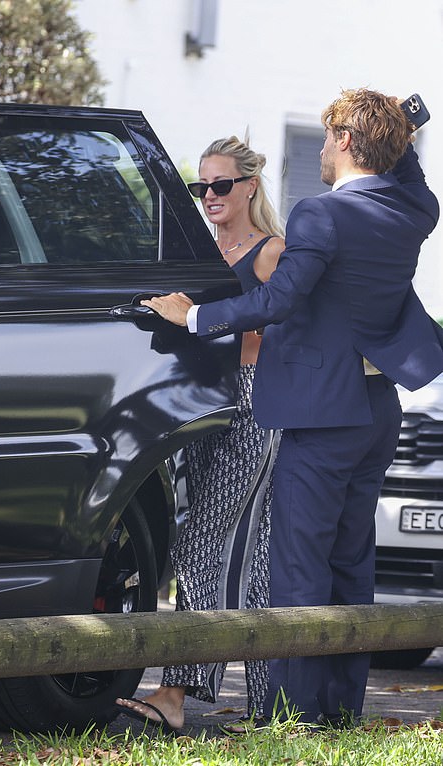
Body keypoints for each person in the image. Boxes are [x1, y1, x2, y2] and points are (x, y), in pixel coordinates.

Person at [136, 89, 442, 727]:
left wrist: (193, 315)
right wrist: (402, 128)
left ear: (348, 143)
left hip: (320, 410)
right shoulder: (414, 210)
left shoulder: (320, 216)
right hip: (378, 407)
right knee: (351, 566)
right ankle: (337, 716)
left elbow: (276, 302)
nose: (323, 151)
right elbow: (407, 175)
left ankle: (290, 718)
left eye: (330, 139)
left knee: (298, 568)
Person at [116, 136, 285, 732]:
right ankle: (268, 704)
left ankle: (179, 691)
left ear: (249, 187)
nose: (209, 196)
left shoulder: (270, 253)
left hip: (254, 403)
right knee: (253, 553)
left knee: (203, 542)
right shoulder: (203, 251)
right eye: (201, 187)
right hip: (203, 408)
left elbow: (281, 322)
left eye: (220, 186)